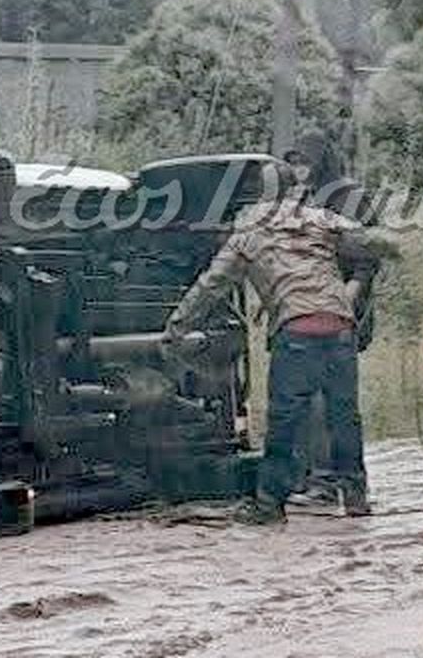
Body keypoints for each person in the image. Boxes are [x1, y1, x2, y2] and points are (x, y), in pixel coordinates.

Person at [163, 160, 387, 525]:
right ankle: (356, 497)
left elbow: (211, 285)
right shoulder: (321, 219)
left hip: (296, 331)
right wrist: (353, 289)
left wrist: (176, 327)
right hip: (341, 330)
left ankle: (269, 503)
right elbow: (376, 244)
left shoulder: (249, 232)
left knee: (285, 419)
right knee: (344, 416)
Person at [279, 131, 380, 505]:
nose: (299, 169)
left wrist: (346, 299)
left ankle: (331, 482)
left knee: (331, 402)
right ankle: (318, 478)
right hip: (303, 310)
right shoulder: (298, 200)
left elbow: (367, 260)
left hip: (339, 314)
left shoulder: (348, 197)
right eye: (294, 163)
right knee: (306, 400)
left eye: (305, 161)